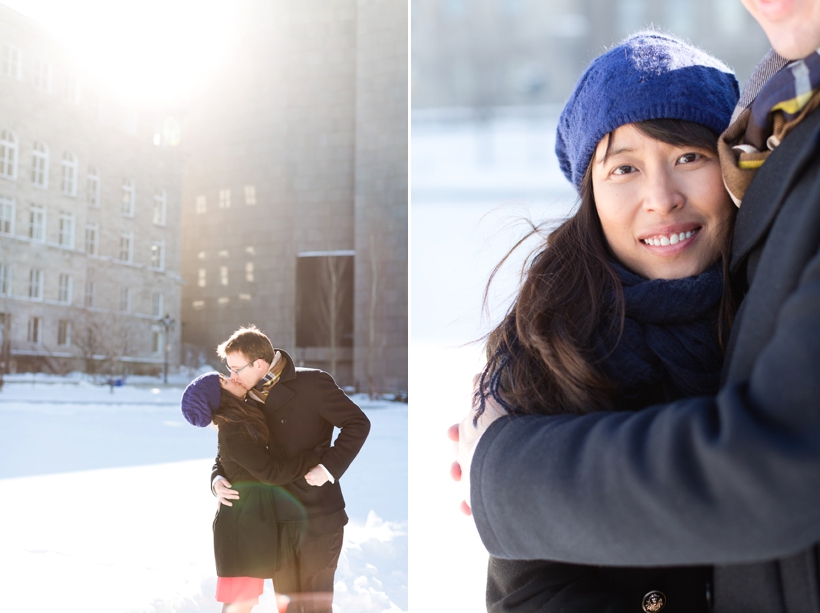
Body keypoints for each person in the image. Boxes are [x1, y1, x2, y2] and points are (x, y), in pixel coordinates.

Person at [453, 1, 820, 611]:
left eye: (688, 157)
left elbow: (778, 463)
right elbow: (535, 589)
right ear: (590, 195)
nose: (661, 198)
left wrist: (506, 471)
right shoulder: (553, 337)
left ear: (730, 168)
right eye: (623, 168)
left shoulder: (767, 295)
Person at [212, 326, 370, 613]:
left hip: (318, 516)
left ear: (258, 364)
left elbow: (358, 423)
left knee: (313, 608)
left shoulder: (314, 384)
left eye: (236, 368)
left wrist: (328, 467)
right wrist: (217, 478)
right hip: (275, 521)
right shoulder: (244, 397)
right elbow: (230, 450)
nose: (232, 375)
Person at [181, 372, 321, 613]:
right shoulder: (233, 429)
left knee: (244, 600)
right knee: (239, 603)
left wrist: (216, 479)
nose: (232, 378)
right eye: (224, 381)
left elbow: (223, 461)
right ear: (220, 398)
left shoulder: (240, 417)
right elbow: (270, 472)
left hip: (249, 525)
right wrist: (314, 457)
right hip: (240, 529)